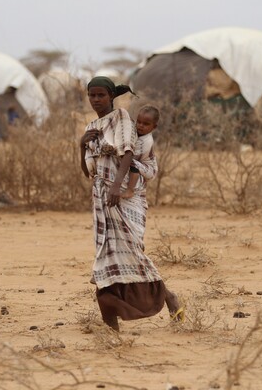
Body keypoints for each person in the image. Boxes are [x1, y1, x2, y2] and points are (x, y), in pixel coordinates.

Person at [79, 76, 184, 331]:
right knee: (107, 257)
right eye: (92, 95)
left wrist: (117, 186)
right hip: (102, 199)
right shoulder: (92, 125)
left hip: (124, 197)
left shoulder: (122, 118)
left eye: (101, 95)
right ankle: (111, 324)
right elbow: (87, 171)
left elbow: (126, 153)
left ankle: (168, 297)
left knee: (132, 253)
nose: (96, 100)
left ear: (111, 96)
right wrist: (80, 143)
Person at [120, 105, 159, 199]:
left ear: (154, 127)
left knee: (132, 163)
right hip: (140, 163)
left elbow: (131, 157)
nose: (140, 126)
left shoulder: (146, 141)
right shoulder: (135, 131)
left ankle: (130, 190)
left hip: (149, 170)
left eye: (145, 124)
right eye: (139, 122)